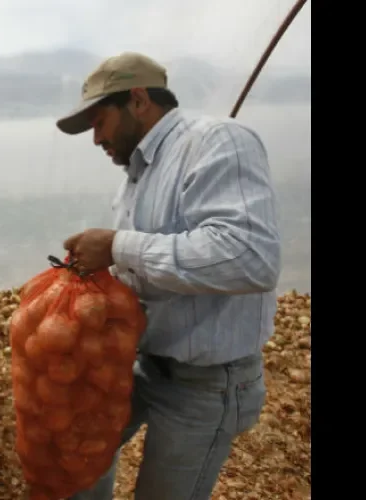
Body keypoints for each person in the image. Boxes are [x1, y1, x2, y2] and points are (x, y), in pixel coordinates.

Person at [55, 52, 282, 500]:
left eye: (99, 122)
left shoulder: (218, 142)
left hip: (206, 384)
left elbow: (250, 255)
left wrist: (117, 246)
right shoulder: (137, 174)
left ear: (138, 100)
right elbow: (147, 268)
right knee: (74, 462)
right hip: (142, 363)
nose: (96, 138)